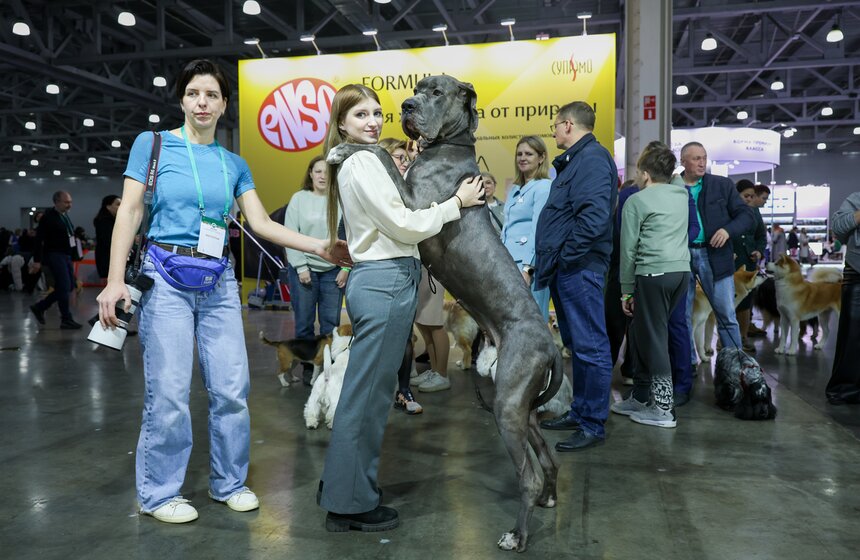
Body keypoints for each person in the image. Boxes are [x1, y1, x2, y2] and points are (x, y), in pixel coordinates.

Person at [96, 59, 350, 525]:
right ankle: (158, 494)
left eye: (212, 95)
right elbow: (129, 213)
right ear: (181, 99)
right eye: (194, 93)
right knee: (170, 392)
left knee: (233, 390)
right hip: (164, 277)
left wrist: (321, 246)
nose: (202, 102)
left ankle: (228, 483)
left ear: (224, 104)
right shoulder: (152, 146)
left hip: (217, 283)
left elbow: (261, 223)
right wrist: (114, 281)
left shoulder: (234, 163)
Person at [317, 84, 484, 532]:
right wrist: (456, 204)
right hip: (386, 280)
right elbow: (404, 224)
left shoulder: (356, 161)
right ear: (341, 124)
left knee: (364, 393)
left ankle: (341, 483)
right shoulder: (362, 163)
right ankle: (349, 503)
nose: (372, 121)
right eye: (360, 116)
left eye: (376, 113)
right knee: (369, 398)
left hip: (384, 280)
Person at [534, 101, 618, 451]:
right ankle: (582, 411)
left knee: (590, 346)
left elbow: (594, 219)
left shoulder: (592, 160)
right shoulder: (578, 161)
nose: (553, 131)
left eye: (555, 125)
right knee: (578, 346)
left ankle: (591, 423)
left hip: (579, 268)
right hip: (569, 269)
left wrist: (566, 259)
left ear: (568, 124)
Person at [610, 141, 691, 428]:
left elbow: (628, 250)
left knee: (654, 339)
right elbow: (676, 176)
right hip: (681, 273)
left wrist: (626, 290)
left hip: (653, 275)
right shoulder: (681, 193)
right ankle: (642, 396)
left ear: (644, 174)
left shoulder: (636, 201)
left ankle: (664, 409)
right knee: (644, 334)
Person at [679, 142, 752, 351]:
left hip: (716, 256)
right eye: (696, 158)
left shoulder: (722, 185)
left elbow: (745, 215)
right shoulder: (672, 187)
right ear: (683, 161)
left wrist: (727, 230)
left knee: (726, 313)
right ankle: (688, 362)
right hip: (681, 255)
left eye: (704, 157)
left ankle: (735, 364)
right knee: (681, 314)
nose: (702, 163)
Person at [284, 155, 348, 384]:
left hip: (334, 271)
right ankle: (309, 369)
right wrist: (301, 266)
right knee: (304, 324)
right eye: (318, 171)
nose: (322, 176)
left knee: (331, 325)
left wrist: (346, 269)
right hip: (304, 270)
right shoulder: (298, 199)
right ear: (310, 174)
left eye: (327, 172)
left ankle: (329, 370)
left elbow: (351, 236)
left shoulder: (340, 200)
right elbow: (290, 236)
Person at [377, 137, 423, 413]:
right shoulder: (371, 186)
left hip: (408, 268)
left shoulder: (412, 187)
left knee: (405, 337)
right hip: (377, 271)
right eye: (398, 157)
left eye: (407, 158)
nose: (405, 162)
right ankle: (375, 393)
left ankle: (404, 392)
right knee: (375, 339)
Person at [501, 136, 552, 322]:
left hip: (529, 267)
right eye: (519, 154)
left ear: (541, 158)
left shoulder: (544, 187)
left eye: (529, 154)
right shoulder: (515, 189)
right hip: (508, 264)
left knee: (532, 322)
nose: (522, 158)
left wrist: (527, 269)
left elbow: (538, 231)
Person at [29, 190, 82, 329]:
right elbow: (39, 239)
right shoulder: (48, 217)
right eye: (66, 202)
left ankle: (40, 307)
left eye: (70, 202)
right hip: (54, 255)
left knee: (69, 286)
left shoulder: (64, 216)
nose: (69, 205)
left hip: (66, 255)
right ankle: (66, 319)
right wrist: (37, 260)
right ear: (56, 202)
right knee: (64, 287)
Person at [825, 192, 860, 405]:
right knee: (852, 336)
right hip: (857, 273)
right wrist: (858, 216)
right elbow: (837, 227)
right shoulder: (856, 199)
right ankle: (844, 388)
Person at [731, 180, 766, 352]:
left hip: (749, 262)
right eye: (746, 196)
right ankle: (726, 340)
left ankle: (743, 338)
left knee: (745, 303)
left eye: (752, 196)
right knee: (728, 301)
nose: (750, 199)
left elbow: (761, 236)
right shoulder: (727, 211)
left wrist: (759, 251)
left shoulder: (755, 212)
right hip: (731, 263)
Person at [93, 195, 122, 280]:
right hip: (107, 258)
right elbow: (109, 241)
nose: (121, 207)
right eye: (118, 204)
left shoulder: (111, 221)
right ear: (108, 206)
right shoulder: (104, 222)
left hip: (108, 257)